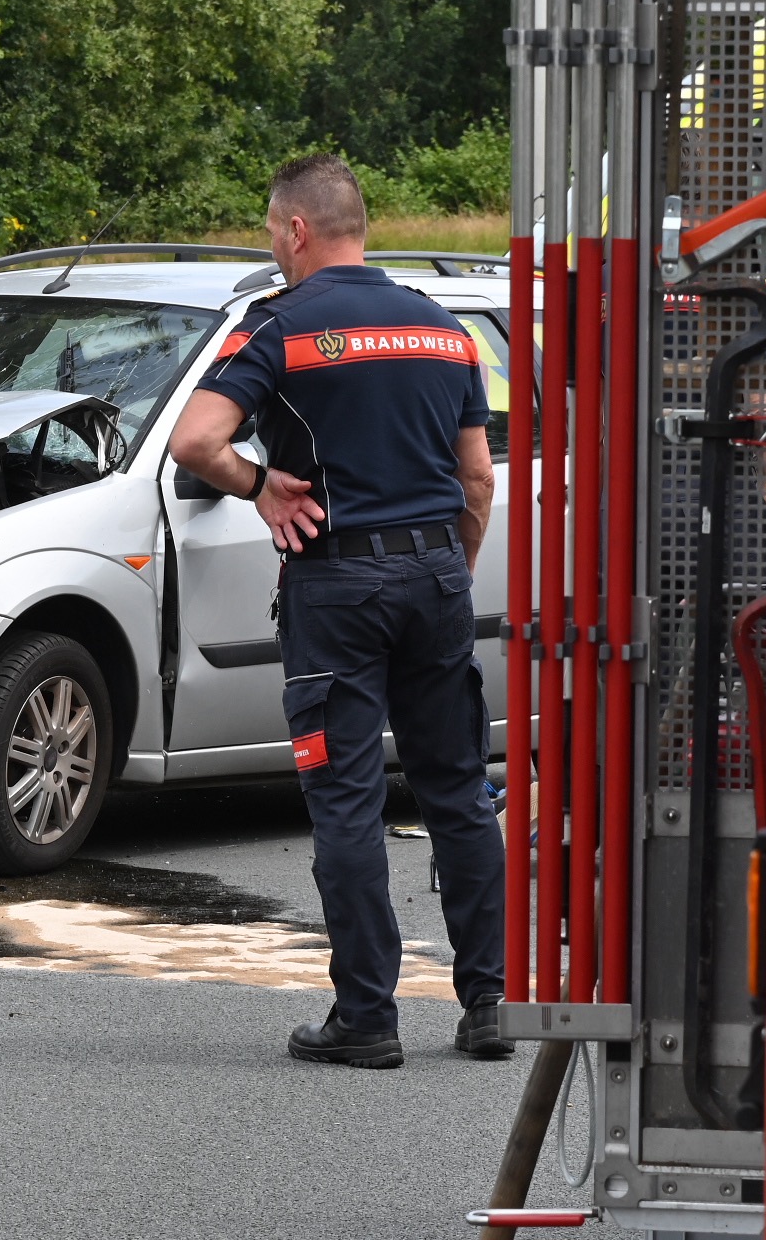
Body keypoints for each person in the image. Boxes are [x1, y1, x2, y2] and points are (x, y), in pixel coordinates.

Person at [166, 153, 509, 1070]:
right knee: (460, 795)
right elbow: (476, 476)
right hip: (436, 576)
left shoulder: (280, 327)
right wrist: (451, 568)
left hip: (338, 588)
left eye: (272, 232)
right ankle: (490, 1005)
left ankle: (368, 1017)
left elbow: (196, 441)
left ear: (296, 230)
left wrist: (258, 489)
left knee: (348, 803)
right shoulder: (444, 328)